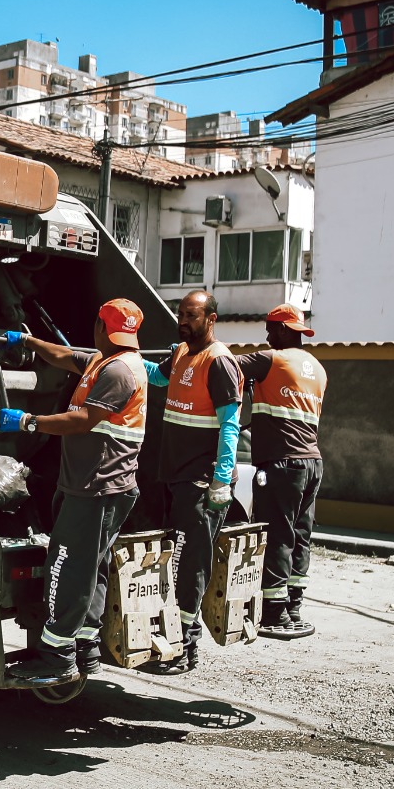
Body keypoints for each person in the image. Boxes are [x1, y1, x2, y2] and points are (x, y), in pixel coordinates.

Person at [0, 299, 149, 687]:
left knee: (66, 567)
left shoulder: (116, 370)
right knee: (91, 567)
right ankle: (85, 647)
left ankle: (57, 657)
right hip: (100, 485)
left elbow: (83, 420)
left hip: (96, 487)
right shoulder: (109, 358)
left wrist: (30, 422)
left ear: (100, 326)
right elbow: (65, 356)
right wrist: (29, 340)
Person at [140, 290, 242, 676]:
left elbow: (230, 425)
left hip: (202, 482)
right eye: (180, 313)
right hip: (178, 476)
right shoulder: (181, 353)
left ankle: (187, 647)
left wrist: (220, 480)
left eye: (191, 315)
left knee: (189, 562)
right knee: (180, 560)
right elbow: (156, 377)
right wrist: (126, 360)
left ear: (211, 319)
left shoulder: (219, 363)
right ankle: (178, 640)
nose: (183, 321)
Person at [237, 304, 328, 639]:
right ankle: (293, 608)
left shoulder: (270, 359)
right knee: (300, 537)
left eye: (270, 328)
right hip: (312, 463)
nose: (266, 335)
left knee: (278, 534)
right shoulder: (318, 370)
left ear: (285, 331)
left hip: (283, 463)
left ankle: (274, 614)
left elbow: (224, 365)